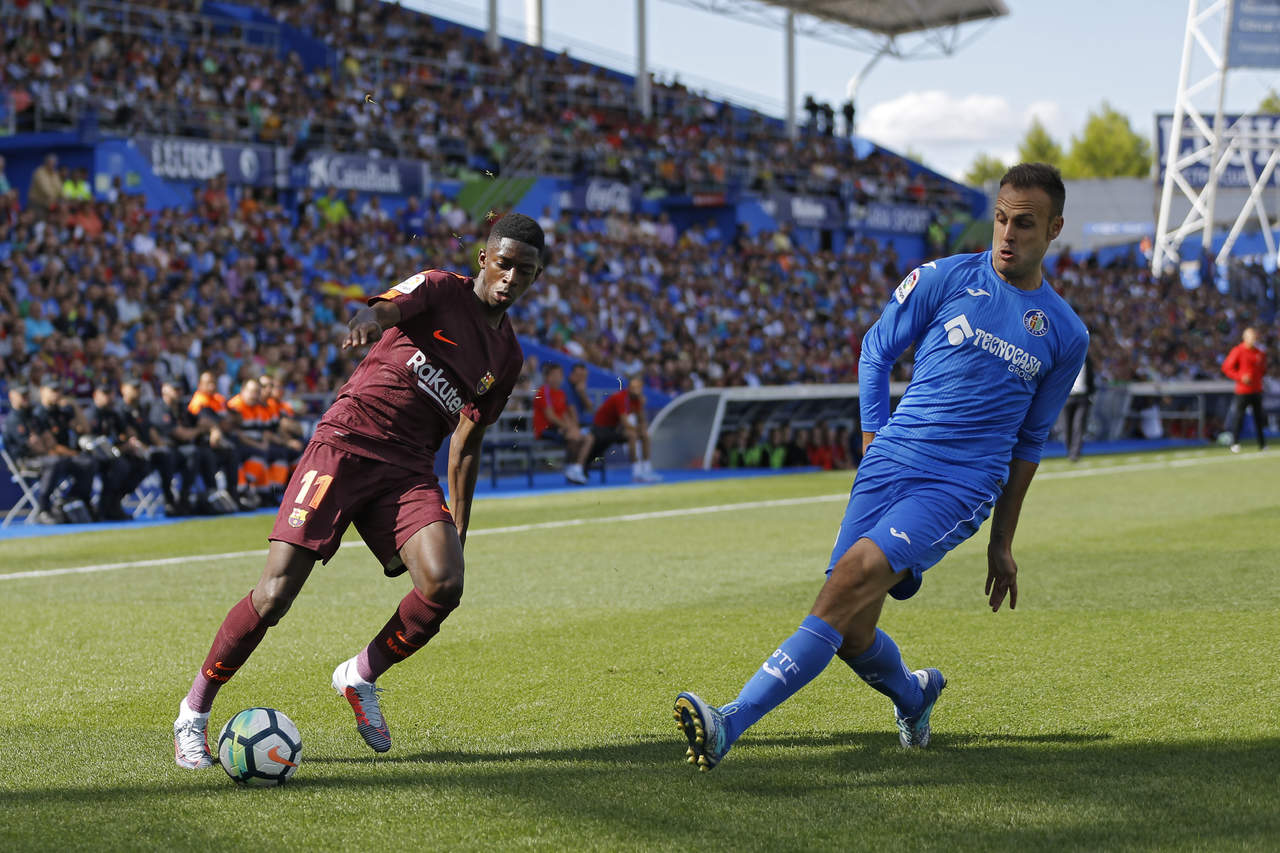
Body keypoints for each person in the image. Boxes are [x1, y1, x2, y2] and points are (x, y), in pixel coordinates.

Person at [673, 163, 1089, 771]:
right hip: (891, 460)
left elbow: (1030, 443)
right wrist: (874, 443)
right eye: (1000, 218)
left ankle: (728, 723)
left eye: (1024, 224)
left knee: (844, 586)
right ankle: (915, 694)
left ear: (1053, 229)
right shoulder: (945, 278)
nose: (1007, 234)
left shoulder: (1065, 332)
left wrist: (1002, 543)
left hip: (960, 483)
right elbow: (876, 348)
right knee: (852, 625)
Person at [173, 213, 545, 769]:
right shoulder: (442, 288)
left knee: (445, 583)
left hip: (408, 468)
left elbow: (467, 442)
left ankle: (358, 675)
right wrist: (369, 319)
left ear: (536, 278)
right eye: (505, 263)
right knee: (275, 595)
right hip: (346, 444)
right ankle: (193, 714)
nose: (511, 277)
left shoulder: (506, 357)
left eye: (525, 271)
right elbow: (387, 307)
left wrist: (460, 526)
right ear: (484, 260)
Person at [2, 384, 95, 523]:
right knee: (54, 461)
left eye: (26, 394)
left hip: (44, 458)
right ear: (12, 396)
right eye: (22, 395)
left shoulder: (33, 417)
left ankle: (68, 500)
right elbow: (34, 446)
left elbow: (48, 442)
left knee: (87, 462)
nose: (25, 398)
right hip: (24, 462)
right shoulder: (13, 420)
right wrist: (44, 446)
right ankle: (43, 509)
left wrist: (43, 444)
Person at [589, 375, 660, 482]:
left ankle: (646, 470)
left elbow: (641, 420)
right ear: (629, 387)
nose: (636, 389)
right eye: (634, 387)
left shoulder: (636, 399)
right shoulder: (620, 398)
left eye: (639, 387)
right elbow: (625, 423)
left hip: (615, 429)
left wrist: (642, 425)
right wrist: (639, 428)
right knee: (632, 435)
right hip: (602, 429)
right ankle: (636, 472)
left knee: (645, 435)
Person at [532, 362, 590, 484]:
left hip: (559, 428)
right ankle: (571, 468)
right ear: (548, 377)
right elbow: (551, 416)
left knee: (587, 438)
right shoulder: (543, 391)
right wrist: (568, 428)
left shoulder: (560, 393)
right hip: (545, 429)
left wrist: (573, 427)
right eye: (555, 375)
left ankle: (575, 468)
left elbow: (564, 414)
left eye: (560, 375)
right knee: (573, 437)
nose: (558, 378)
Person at [1222, 326, 1267, 453]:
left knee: (1259, 418)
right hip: (1243, 390)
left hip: (1257, 389)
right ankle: (1235, 442)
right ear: (1245, 337)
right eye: (1251, 336)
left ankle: (1262, 444)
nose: (1253, 339)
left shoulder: (1259, 353)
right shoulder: (1238, 351)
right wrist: (1240, 377)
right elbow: (1227, 367)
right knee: (1238, 417)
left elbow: (1262, 370)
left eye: (1254, 336)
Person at [1062, 352, 1095, 462]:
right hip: (1067, 396)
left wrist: (1091, 393)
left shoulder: (1087, 358)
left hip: (1083, 397)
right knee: (1066, 426)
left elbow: (1091, 377)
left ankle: (1075, 454)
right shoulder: (1065, 358)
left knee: (1078, 425)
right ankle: (1069, 450)